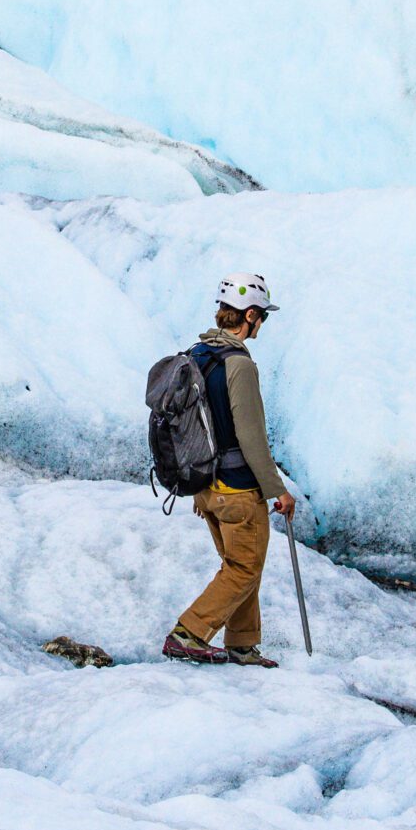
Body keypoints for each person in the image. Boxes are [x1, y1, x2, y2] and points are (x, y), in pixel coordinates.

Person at [162, 275, 296, 669]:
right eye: (262, 318)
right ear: (250, 315)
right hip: (237, 490)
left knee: (241, 565)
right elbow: (251, 437)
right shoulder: (239, 365)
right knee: (243, 568)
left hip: (206, 488)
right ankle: (188, 633)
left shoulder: (198, 354)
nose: (261, 326)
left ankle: (242, 645)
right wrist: (278, 490)